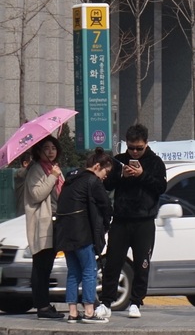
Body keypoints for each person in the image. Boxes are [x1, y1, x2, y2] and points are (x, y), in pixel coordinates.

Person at [97, 124, 167, 319]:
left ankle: (136, 302)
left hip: (144, 221)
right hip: (120, 219)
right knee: (113, 262)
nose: (134, 152)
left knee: (142, 264)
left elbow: (161, 186)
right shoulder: (118, 161)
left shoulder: (155, 162)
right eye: (131, 148)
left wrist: (142, 175)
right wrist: (122, 175)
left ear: (146, 144)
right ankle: (106, 302)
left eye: (139, 148)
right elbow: (107, 184)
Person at [54, 149, 114, 324]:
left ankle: (72, 312)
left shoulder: (70, 179)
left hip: (65, 233)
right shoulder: (92, 181)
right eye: (105, 172)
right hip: (82, 233)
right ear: (97, 166)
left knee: (73, 272)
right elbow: (106, 205)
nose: (105, 177)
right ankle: (89, 310)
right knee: (89, 270)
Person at [22, 136, 64, 319]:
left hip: (55, 222)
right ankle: (42, 306)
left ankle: (45, 304)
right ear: (38, 151)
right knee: (41, 266)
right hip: (42, 223)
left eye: (53, 148)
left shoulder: (54, 169)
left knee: (47, 266)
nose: (50, 151)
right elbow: (37, 194)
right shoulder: (37, 170)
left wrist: (56, 175)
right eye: (46, 148)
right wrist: (53, 177)